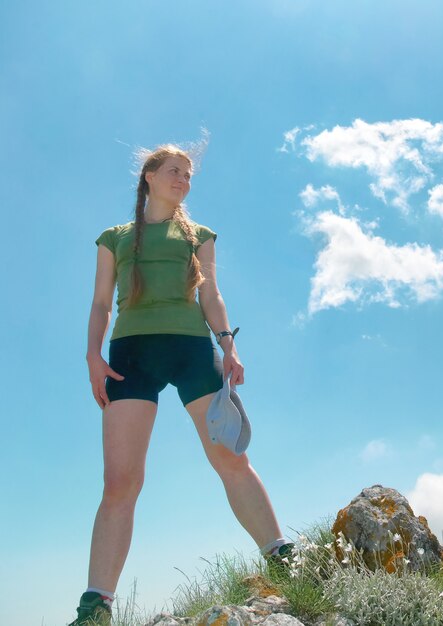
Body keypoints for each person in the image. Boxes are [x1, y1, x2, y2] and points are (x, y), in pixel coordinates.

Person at [69, 144, 293, 626]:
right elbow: (100, 305)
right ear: (149, 176)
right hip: (131, 356)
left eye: (188, 175)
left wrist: (228, 344)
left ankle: (282, 559)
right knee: (120, 482)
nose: (184, 180)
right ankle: (96, 605)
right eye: (175, 171)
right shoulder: (115, 238)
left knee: (231, 458)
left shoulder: (199, 236)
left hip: (193, 350)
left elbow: (211, 293)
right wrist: (93, 355)